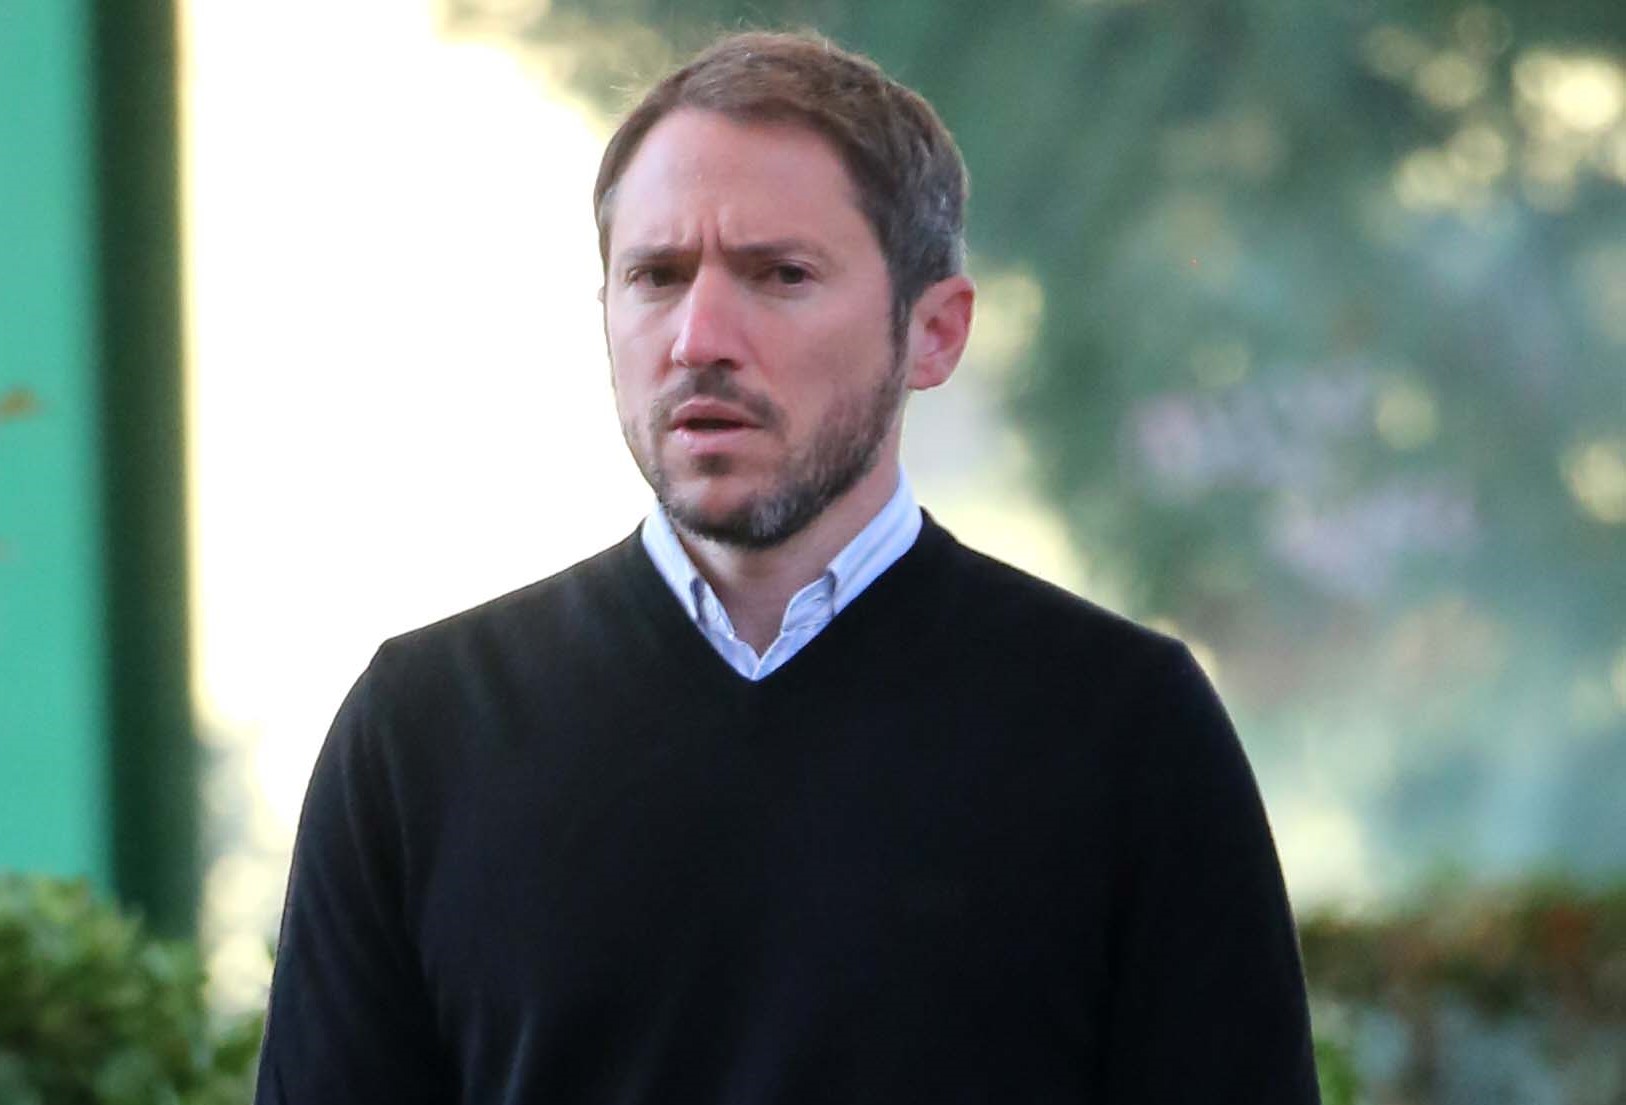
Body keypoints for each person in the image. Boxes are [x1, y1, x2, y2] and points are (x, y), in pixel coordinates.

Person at [254, 30, 1321, 1105]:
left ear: (934, 332)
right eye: (656, 277)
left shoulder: (1123, 729)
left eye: (781, 275)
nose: (699, 337)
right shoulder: (423, 730)